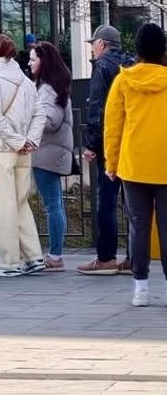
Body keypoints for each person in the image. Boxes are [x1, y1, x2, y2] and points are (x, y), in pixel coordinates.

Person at [104, 23, 167, 307]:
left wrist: (111, 161)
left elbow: (113, 127)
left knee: (139, 227)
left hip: (133, 166)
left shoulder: (124, 81)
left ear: (137, 50)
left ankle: (140, 287)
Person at [0, 33, 47, 277]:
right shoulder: (25, 81)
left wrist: (16, 141)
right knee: (20, 203)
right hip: (24, 151)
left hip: (1, 149)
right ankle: (33, 255)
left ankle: (8, 262)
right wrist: (29, 140)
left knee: (1, 206)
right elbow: (40, 114)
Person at [79, 24, 135, 276]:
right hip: (133, 143)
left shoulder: (102, 67)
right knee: (134, 204)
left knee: (107, 200)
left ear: (101, 44)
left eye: (93, 44)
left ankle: (106, 257)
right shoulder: (133, 66)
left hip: (110, 145)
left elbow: (97, 108)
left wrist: (91, 144)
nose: (92, 48)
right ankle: (135, 257)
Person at [28, 41, 74, 272]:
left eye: (33, 59)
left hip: (46, 153)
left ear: (43, 62)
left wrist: (29, 116)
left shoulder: (47, 89)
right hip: (53, 152)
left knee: (53, 205)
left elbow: (50, 120)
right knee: (55, 204)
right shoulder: (55, 85)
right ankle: (56, 254)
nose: (29, 63)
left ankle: (55, 256)